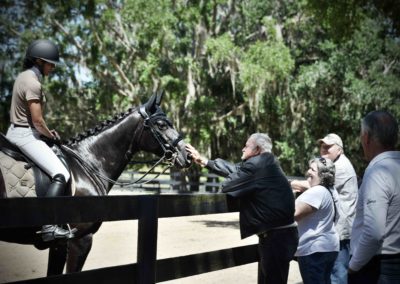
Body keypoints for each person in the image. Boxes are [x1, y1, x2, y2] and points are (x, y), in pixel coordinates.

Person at [186, 133, 298, 284]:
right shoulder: (266, 162)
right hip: (281, 235)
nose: (242, 149)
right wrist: (204, 161)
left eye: (247, 146)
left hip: (276, 238)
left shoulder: (256, 166)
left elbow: (228, 186)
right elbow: (237, 170)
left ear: (257, 149)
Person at [6, 39, 75, 241]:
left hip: (18, 131)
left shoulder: (23, 77)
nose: (52, 67)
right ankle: (48, 226)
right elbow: (37, 120)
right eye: (50, 63)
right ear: (38, 61)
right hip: (25, 135)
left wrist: (45, 131)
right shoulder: (33, 83)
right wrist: (49, 134)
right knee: (61, 173)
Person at [291, 133, 358, 284]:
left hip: (339, 231)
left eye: (328, 147)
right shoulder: (338, 164)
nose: (324, 149)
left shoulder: (339, 167)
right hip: (335, 233)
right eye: (322, 146)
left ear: (339, 150)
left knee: (337, 277)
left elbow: (315, 185)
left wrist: (291, 183)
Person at [348, 110, 400, 284]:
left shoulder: (377, 171)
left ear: (366, 137)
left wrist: (353, 266)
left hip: (377, 268)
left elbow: (374, 232)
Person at [294, 157, 340, 284]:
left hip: (314, 249)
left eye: (312, 170)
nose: (308, 171)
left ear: (322, 175)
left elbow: (293, 214)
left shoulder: (316, 192)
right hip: (329, 247)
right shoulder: (331, 190)